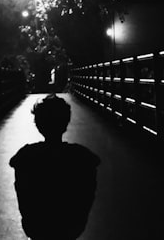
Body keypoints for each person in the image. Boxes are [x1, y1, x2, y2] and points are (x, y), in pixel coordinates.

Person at [9, 94, 101, 240]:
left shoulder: (26, 156)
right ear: (66, 122)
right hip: (71, 227)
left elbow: (23, 196)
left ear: (39, 124)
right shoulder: (81, 157)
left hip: (36, 227)